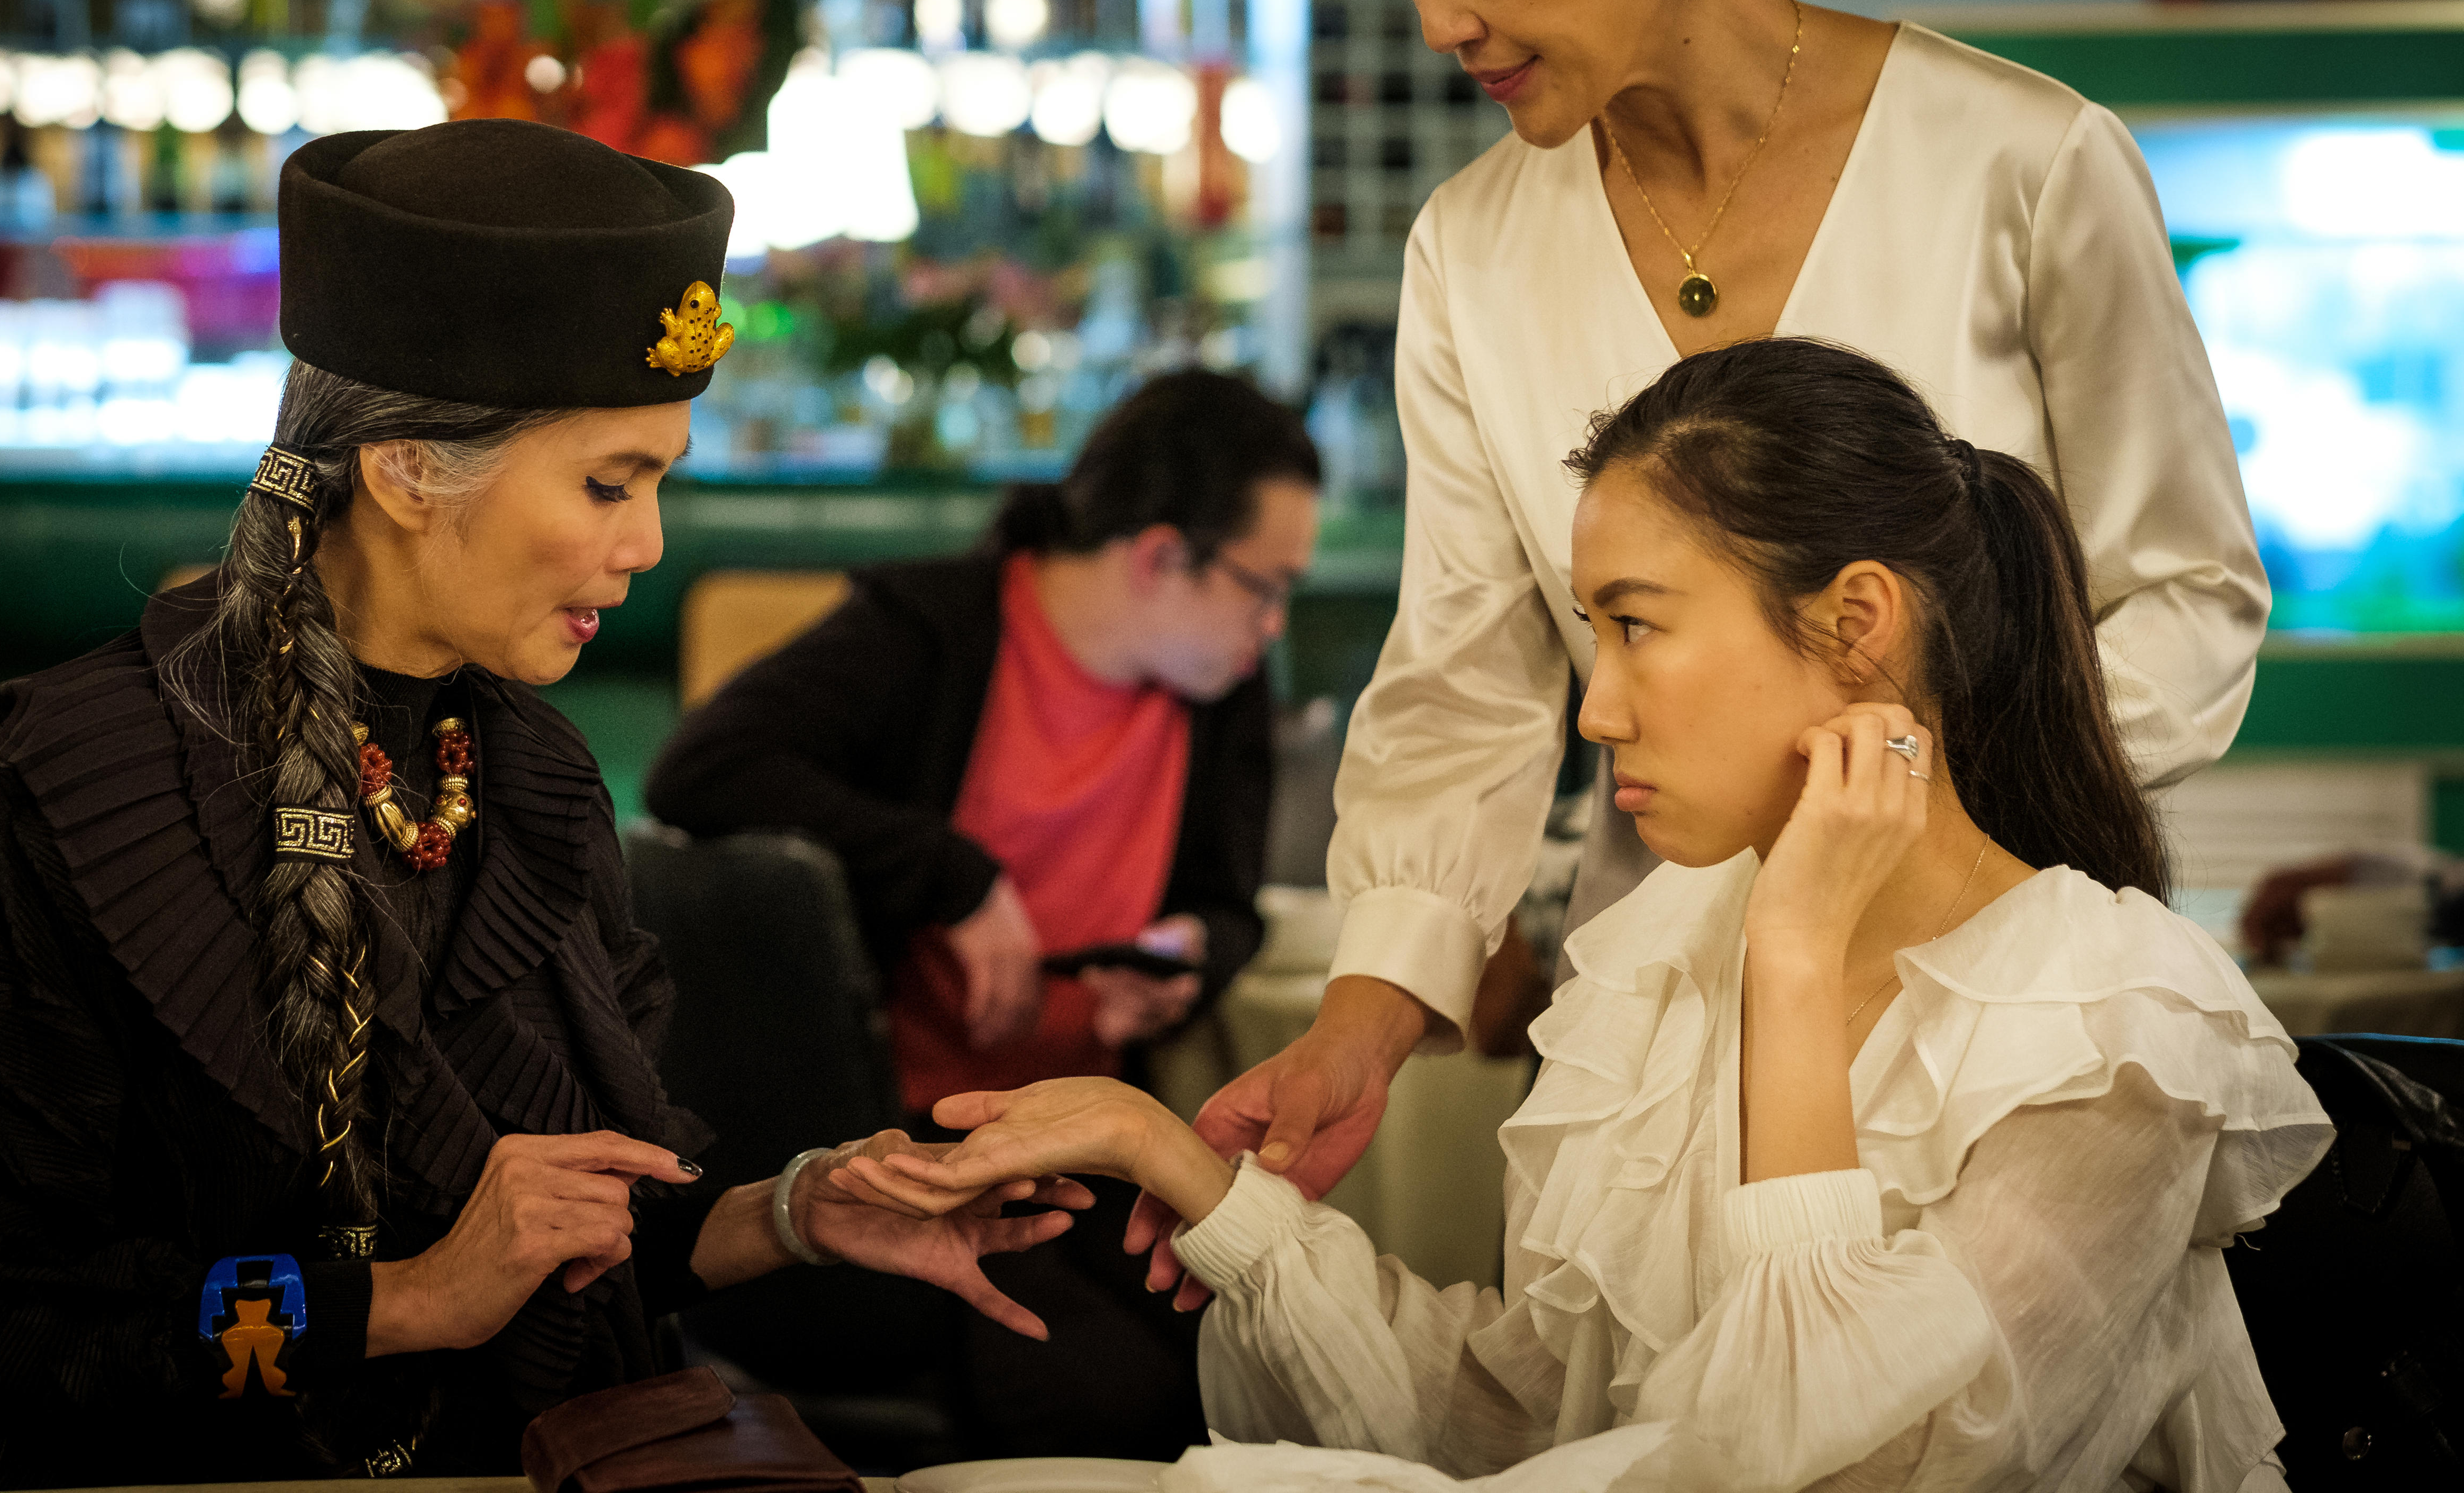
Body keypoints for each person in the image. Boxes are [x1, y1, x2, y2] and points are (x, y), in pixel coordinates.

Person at [1152, 0, 2273, 1295]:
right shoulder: (1471, 248)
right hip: (1656, 1023)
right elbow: (1465, 682)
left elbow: (2193, 594)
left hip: (1998, 996)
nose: (1439, 20)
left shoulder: (2022, 163)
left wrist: (1919, 823)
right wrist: (1367, 1021)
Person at [851, 339, 2333, 1492]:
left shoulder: (2120, 1027)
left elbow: (1832, 1467)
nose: (1596, 703)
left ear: (1857, 623)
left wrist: (1800, 958)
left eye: (1636, 623)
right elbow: (1519, 1414)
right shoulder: (1668, 956)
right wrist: (1171, 1156)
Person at [0, 119, 1089, 1489]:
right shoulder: (98, 783)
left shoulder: (539, 778)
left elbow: (582, 1241)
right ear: (407, 468)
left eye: (660, 477)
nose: (648, 543)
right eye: (609, 481)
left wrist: (798, 1210)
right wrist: (414, 1295)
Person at [644, 368, 1318, 1458]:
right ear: (1158, 556)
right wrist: (953, 876)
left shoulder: (1218, 687)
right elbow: (701, 768)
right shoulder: (931, 630)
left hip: (1094, 1135)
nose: (1272, 622)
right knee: (1111, 1401)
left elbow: (1225, 906)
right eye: (1262, 584)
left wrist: (1191, 954)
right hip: (901, 1148)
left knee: (1269, 1358)